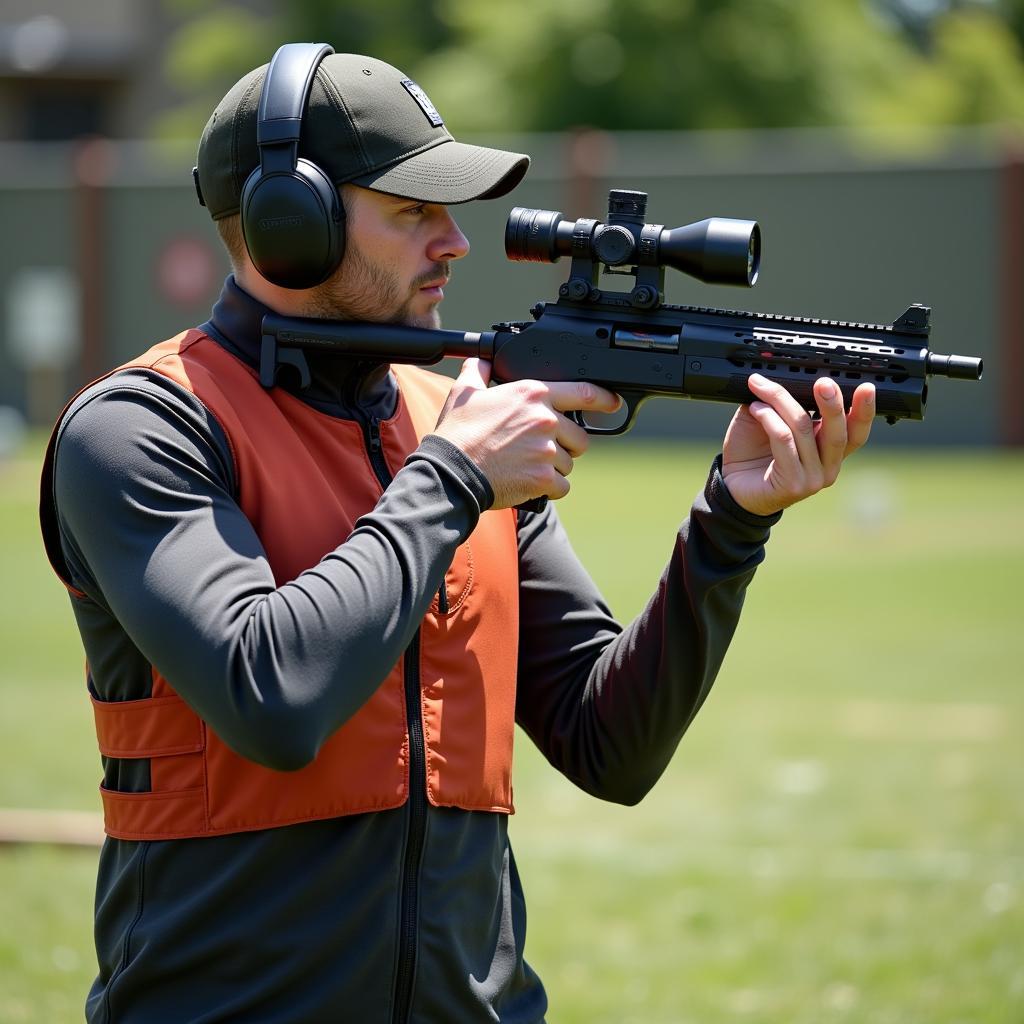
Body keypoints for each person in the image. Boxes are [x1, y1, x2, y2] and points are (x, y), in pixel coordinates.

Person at [39, 44, 874, 1023]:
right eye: (412, 210)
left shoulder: (452, 425)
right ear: (288, 224)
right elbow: (268, 694)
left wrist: (732, 520)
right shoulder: (139, 427)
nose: (455, 242)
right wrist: (454, 478)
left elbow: (610, 746)